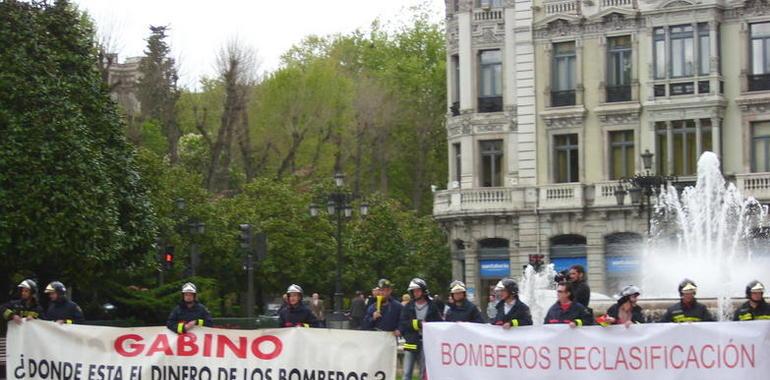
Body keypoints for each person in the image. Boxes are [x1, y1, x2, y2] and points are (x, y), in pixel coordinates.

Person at [400, 278, 442, 380]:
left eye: (417, 290)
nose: (415, 293)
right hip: (411, 343)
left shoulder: (432, 306)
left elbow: (438, 323)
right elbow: (403, 323)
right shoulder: (408, 306)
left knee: (423, 373)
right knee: (406, 373)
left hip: (426, 344)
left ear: (423, 291)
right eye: (413, 291)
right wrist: (418, 324)